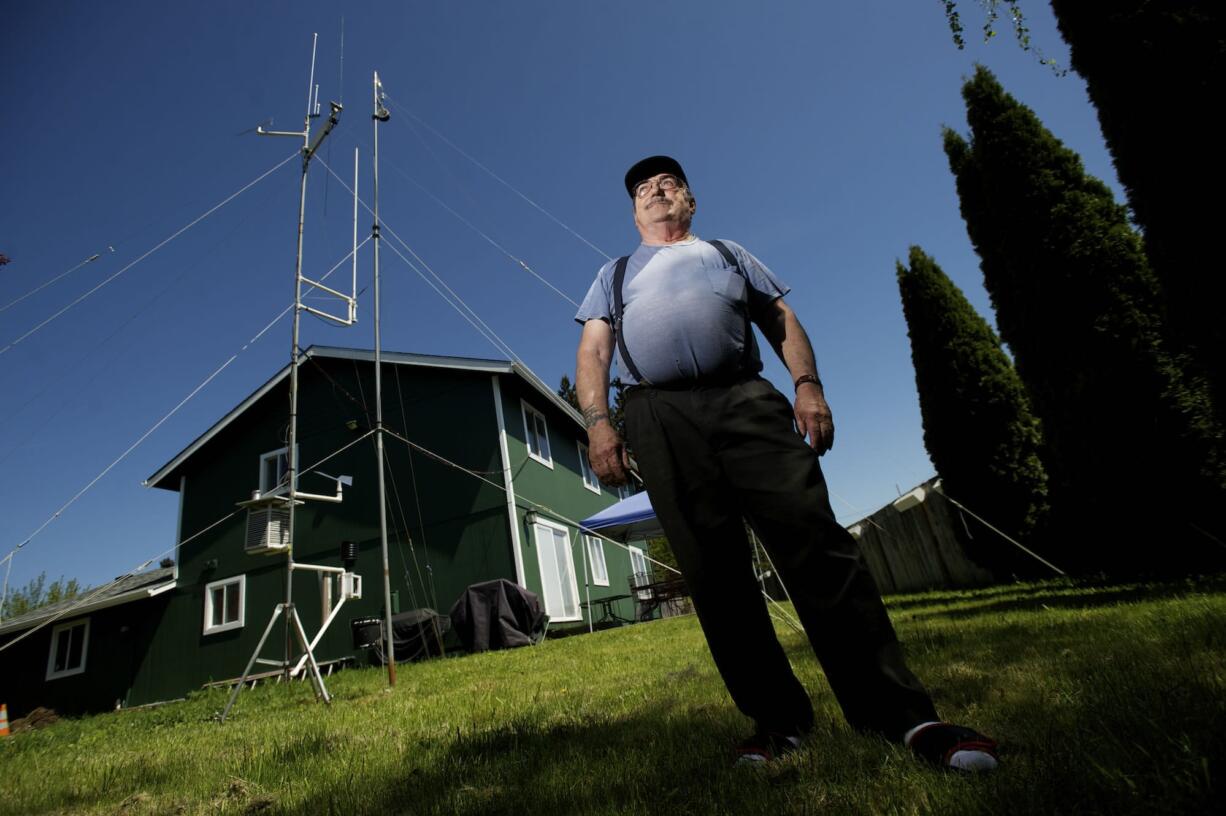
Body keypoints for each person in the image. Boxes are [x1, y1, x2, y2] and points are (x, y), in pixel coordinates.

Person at [573, 155, 998, 771]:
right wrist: (598, 423)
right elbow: (593, 347)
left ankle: (902, 716)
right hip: (658, 416)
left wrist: (808, 385)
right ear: (633, 211)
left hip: (744, 397)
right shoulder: (612, 276)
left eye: (669, 183)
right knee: (714, 573)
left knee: (816, 544)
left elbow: (780, 319)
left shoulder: (727, 252)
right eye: (643, 189)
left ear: (690, 201)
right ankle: (777, 723)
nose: (656, 191)